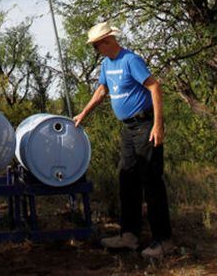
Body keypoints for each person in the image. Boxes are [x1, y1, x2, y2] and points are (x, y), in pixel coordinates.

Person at [73, 20, 173, 259]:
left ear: (107, 41)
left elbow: (154, 87)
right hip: (128, 129)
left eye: (96, 46)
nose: (95, 51)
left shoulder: (131, 60)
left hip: (145, 125)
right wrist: (84, 113)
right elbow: (101, 90)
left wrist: (158, 125)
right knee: (126, 176)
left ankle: (164, 240)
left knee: (151, 180)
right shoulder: (107, 64)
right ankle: (129, 235)